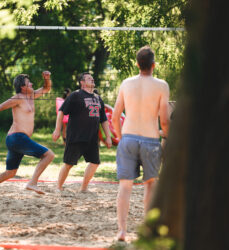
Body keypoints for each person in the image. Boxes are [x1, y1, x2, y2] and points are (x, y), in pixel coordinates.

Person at [112, 46, 170, 241]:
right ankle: (147, 229)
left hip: (128, 137)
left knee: (125, 186)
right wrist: (168, 136)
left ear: (137, 64)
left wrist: (121, 138)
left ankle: (121, 230)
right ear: (154, 65)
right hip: (151, 139)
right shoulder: (162, 85)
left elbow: (114, 116)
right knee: (150, 186)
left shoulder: (126, 83)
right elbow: (164, 121)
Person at [0, 71, 55, 195]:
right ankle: (32, 183)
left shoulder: (32, 96)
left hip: (16, 139)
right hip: (17, 137)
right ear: (23, 87)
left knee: (10, 172)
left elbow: (46, 88)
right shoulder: (17, 98)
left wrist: (47, 78)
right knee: (49, 155)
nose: (32, 84)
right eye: (29, 83)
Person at [52, 72, 112, 192]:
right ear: (82, 83)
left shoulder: (97, 98)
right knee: (69, 163)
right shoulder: (76, 95)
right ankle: (58, 187)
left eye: (92, 78)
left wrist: (108, 137)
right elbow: (61, 111)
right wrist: (57, 129)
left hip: (92, 138)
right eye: (89, 78)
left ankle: (83, 188)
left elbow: (103, 119)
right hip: (76, 136)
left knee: (95, 162)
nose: (92, 79)